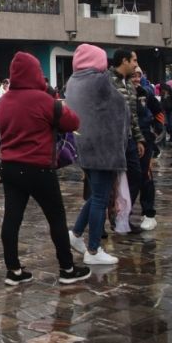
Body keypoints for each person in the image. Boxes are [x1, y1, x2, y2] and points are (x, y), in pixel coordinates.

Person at [0, 52, 91, 286]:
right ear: (34, 73)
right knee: (56, 218)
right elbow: (73, 122)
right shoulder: (44, 100)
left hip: (10, 168)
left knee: (12, 219)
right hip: (39, 169)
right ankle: (67, 268)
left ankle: (14, 270)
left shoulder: (4, 101)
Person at [65, 43, 129, 265]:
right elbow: (121, 101)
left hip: (84, 146)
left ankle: (75, 234)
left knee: (96, 196)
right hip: (104, 147)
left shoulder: (72, 81)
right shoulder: (100, 81)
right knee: (101, 198)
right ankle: (93, 250)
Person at [108, 49, 145, 234]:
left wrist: (139, 139)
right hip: (113, 140)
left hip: (129, 139)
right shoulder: (107, 81)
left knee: (136, 175)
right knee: (110, 182)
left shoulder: (130, 85)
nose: (135, 65)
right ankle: (110, 214)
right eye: (134, 61)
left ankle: (124, 215)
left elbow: (133, 115)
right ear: (124, 61)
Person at [132, 67, 162, 231]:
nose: (136, 79)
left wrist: (157, 128)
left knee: (145, 174)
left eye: (138, 76)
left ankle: (149, 213)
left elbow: (158, 111)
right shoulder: (120, 92)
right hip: (128, 139)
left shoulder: (146, 93)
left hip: (145, 138)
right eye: (133, 76)